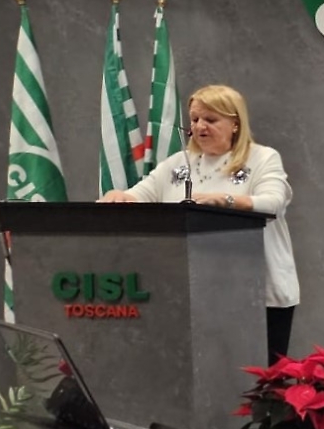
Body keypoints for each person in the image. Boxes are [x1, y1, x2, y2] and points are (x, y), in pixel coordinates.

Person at [100, 85, 299, 363]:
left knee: (258, 379)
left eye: (211, 119)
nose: (199, 126)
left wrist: (225, 200)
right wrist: (119, 196)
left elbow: (273, 202)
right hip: (191, 296)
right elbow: (138, 195)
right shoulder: (179, 164)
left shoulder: (262, 158)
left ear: (235, 123)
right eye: (194, 119)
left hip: (257, 293)